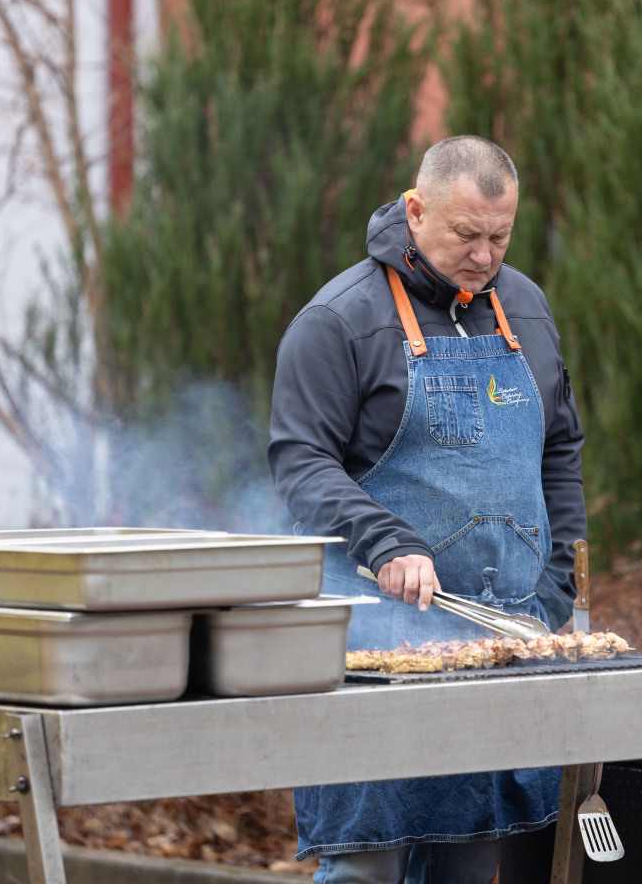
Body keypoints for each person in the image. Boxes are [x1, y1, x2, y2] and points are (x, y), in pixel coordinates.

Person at [268, 135, 586, 884]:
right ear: (415, 212)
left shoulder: (527, 309)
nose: (485, 257)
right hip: (376, 652)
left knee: (473, 868)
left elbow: (561, 450)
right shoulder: (340, 320)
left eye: (500, 237)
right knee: (364, 870)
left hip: (501, 646)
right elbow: (298, 463)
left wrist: (555, 588)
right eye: (466, 235)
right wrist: (384, 542)